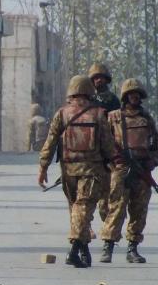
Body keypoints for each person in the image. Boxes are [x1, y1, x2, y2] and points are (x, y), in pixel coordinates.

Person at [38, 75, 116, 268]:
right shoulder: (99, 114)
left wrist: (43, 167)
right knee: (83, 209)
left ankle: (83, 250)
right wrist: (115, 165)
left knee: (77, 209)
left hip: (68, 170)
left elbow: (50, 142)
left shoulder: (62, 114)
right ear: (90, 92)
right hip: (92, 170)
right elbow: (108, 145)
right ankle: (74, 250)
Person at [100, 79, 158, 264]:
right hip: (120, 169)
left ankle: (132, 248)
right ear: (125, 96)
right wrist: (111, 162)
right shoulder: (113, 117)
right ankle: (108, 247)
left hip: (142, 169)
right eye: (131, 94)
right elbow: (104, 142)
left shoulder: (146, 118)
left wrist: (152, 161)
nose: (134, 97)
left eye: (137, 94)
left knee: (139, 210)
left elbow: (156, 145)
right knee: (116, 208)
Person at [87, 62, 120, 226]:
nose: (98, 81)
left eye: (101, 78)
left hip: (108, 147)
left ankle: (108, 223)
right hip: (91, 147)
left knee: (108, 187)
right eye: (95, 78)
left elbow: (118, 124)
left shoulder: (113, 100)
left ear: (106, 80)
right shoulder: (88, 99)